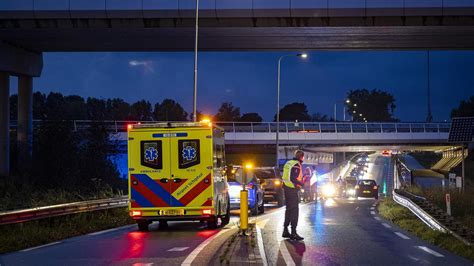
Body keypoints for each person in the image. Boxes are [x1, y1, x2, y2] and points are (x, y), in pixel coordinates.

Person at [281, 150, 305, 241]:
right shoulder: (296, 165)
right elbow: (293, 178)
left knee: (288, 210)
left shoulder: (288, 163)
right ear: (301, 157)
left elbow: (285, 176)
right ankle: (293, 232)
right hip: (292, 190)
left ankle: (285, 230)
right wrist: (302, 184)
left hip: (286, 189)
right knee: (295, 211)